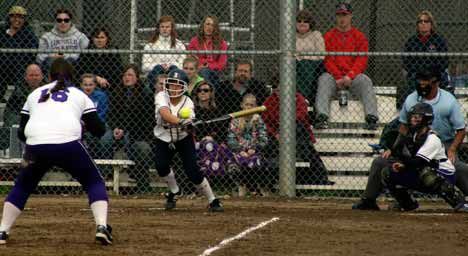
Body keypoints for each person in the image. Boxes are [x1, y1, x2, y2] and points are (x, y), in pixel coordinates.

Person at [0, 59, 112, 245]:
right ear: (72, 77)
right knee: (93, 181)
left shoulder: (35, 93)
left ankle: (2, 231)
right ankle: (101, 227)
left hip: (35, 144)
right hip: (67, 143)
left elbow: (21, 132)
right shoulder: (78, 94)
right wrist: (81, 126)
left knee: (23, 186)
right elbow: (99, 129)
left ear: (49, 76)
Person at [352, 69, 468, 211]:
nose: (422, 85)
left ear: (436, 83)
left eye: (426, 83)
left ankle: (459, 202)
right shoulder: (412, 98)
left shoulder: (448, 101)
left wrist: (452, 149)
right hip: (414, 141)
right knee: (381, 162)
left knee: (456, 167)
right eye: (420, 82)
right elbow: (403, 127)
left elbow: (461, 130)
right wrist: (393, 149)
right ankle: (372, 200)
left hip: (443, 142)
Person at [153, 68, 223, 211]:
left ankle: (212, 200)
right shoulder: (161, 96)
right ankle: (175, 191)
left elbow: (189, 128)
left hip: (183, 138)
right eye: (172, 84)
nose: (174, 88)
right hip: (163, 137)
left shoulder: (188, 102)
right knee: (161, 167)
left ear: (184, 87)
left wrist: (190, 125)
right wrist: (180, 121)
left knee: (193, 171)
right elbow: (165, 114)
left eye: (178, 85)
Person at [381, 103, 468, 212]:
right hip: (423, 171)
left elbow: (419, 162)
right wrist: (401, 164)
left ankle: (459, 202)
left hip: (444, 175)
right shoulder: (413, 136)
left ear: (426, 119)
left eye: (417, 117)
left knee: (426, 172)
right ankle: (408, 204)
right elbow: (413, 162)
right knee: (387, 173)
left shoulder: (432, 139)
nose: (413, 119)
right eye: (413, 116)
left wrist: (401, 158)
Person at [314, 2, 379, 130]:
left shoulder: (359, 36)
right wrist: (338, 77)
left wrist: (350, 76)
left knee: (365, 80)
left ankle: (371, 118)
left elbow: (362, 59)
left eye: (344, 15)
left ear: (350, 16)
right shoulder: (328, 36)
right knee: (323, 79)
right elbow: (327, 59)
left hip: (352, 77)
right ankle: (322, 117)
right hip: (334, 77)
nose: (342, 18)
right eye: (339, 15)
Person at [262, 76, 333, 185]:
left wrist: (286, 127)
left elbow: (301, 115)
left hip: (297, 136)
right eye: (277, 90)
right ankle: (271, 179)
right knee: (268, 145)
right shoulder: (270, 101)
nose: (280, 92)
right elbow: (265, 122)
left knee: (299, 129)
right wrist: (276, 134)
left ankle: (321, 177)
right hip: (277, 137)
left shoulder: (298, 97)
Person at [107, 64, 154, 192]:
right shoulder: (117, 92)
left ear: (137, 77)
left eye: (130, 75)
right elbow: (111, 115)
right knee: (105, 139)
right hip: (119, 131)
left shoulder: (146, 94)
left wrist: (124, 129)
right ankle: (103, 178)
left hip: (137, 134)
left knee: (142, 148)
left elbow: (143, 120)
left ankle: (143, 187)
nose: (127, 77)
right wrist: (116, 127)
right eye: (124, 75)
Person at [398, 10, 449, 110]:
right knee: (410, 82)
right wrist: (420, 72)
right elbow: (406, 62)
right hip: (417, 73)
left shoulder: (439, 40)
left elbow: (444, 61)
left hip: (435, 73)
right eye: (420, 21)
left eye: (426, 21)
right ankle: (411, 109)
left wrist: (430, 73)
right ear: (417, 25)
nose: (423, 23)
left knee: (443, 78)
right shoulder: (411, 41)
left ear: (431, 24)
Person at [227, 94, 269, 196]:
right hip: (239, 151)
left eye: (252, 105)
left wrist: (254, 148)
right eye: (246, 104)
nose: (249, 107)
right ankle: (242, 186)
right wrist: (240, 150)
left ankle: (253, 188)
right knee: (235, 164)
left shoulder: (258, 120)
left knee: (254, 161)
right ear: (242, 105)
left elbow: (264, 139)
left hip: (255, 151)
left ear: (256, 107)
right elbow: (231, 140)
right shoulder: (235, 120)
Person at [193, 80, 232, 177]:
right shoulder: (192, 110)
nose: (202, 92)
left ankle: (208, 175)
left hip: (214, 141)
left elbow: (222, 131)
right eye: (199, 90)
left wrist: (212, 137)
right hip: (196, 142)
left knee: (212, 145)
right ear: (196, 93)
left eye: (206, 90)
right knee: (206, 145)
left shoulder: (217, 111)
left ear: (211, 93)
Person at [0, 64, 44, 151]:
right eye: (31, 75)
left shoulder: (48, 88)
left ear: (42, 76)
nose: (34, 78)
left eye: (36, 75)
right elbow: (15, 109)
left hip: (41, 115)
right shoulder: (19, 89)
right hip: (20, 114)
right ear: (25, 77)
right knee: (12, 121)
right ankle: (4, 146)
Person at [0, 5, 38, 103]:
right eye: (14, 16)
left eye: (20, 17)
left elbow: (30, 53)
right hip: (3, 65)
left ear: (24, 19)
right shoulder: (2, 31)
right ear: (9, 18)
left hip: (20, 66)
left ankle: (17, 98)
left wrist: (11, 42)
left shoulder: (28, 33)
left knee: (20, 67)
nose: (17, 19)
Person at [142, 15, 186, 89]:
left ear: (172, 28)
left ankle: (172, 91)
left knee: (174, 68)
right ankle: (155, 92)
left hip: (173, 74)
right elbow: (145, 66)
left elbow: (183, 65)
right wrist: (161, 65)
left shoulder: (179, 44)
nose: (164, 29)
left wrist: (170, 65)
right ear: (158, 28)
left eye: (167, 27)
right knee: (158, 68)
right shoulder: (150, 45)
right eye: (162, 27)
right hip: (156, 75)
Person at [188, 15, 228, 87]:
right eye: (207, 24)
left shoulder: (222, 43)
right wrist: (204, 64)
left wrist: (208, 65)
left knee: (207, 72)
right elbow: (192, 59)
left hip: (215, 72)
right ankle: (209, 92)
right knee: (204, 72)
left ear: (215, 28)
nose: (209, 27)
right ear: (203, 25)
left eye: (212, 25)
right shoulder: (194, 41)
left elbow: (222, 64)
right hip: (198, 70)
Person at [295, 9, 325, 105]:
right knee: (300, 65)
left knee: (305, 64)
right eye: (299, 21)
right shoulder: (291, 36)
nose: (302, 23)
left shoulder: (316, 35)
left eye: (305, 21)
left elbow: (321, 54)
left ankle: (305, 97)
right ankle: (305, 98)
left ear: (310, 23)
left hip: (314, 66)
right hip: (296, 66)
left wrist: (304, 58)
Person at [80, 74, 111, 161]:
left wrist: (91, 123)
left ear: (95, 85)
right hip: (81, 125)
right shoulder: (77, 96)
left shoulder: (101, 96)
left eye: (91, 85)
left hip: (98, 125)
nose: (88, 87)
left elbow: (102, 114)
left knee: (105, 138)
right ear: (81, 85)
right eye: (85, 85)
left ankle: (105, 168)